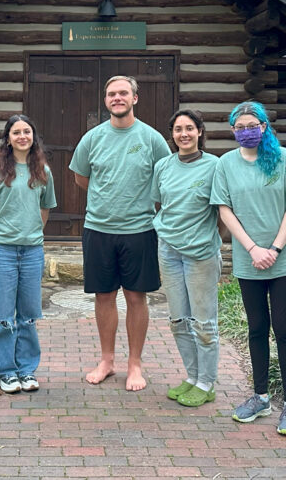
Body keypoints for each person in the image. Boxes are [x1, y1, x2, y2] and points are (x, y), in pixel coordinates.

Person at [210, 101, 286, 436]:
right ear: (232, 130)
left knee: (284, 329)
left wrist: (275, 248)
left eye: (252, 125)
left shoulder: (284, 159)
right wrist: (253, 248)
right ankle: (261, 396)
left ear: (265, 126)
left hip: (284, 261)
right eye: (239, 127)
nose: (246, 131)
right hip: (248, 260)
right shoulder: (226, 164)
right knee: (257, 329)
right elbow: (224, 210)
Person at [69, 75, 170, 391]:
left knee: (137, 297)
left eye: (123, 93)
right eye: (111, 93)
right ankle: (107, 360)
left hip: (139, 229)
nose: (117, 98)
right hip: (98, 229)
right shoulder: (92, 138)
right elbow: (81, 178)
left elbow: (167, 181)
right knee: (104, 295)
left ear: (135, 98)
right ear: (106, 100)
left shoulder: (152, 139)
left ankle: (135, 364)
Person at [0, 115, 57, 394]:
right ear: (8, 138)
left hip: (32, 251)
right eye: (16, 132)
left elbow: (45, 208)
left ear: (33, 136)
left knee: (29, 314)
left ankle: (27, 370)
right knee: (3, 315)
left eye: (27, 131)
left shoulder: (43, 170)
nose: (22, 136)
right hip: (3, 251)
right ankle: (7, 372)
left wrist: (34, 231)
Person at [151, 109, 222, 407]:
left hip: (201, 253)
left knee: (203, 322)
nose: (184, 134)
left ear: (200, 132)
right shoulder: (163, 166)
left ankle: (207, 383)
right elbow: (159, 203)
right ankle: (192, 377)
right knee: (179, 319)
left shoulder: (215, 166)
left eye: (190, 128)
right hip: (168, 250)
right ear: (172, 134)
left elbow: (222, 208)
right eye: (178, 129)